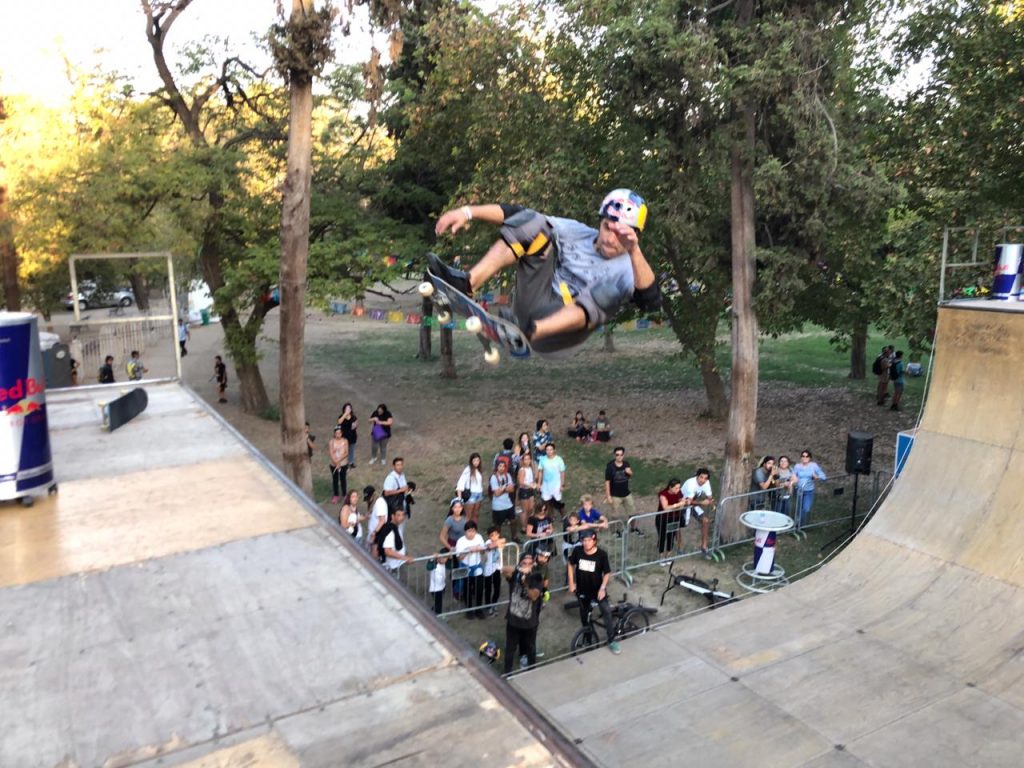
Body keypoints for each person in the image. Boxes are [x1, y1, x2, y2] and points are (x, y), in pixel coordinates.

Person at [432, 189, 661, 356]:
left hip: (559, 334)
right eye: (607, 228)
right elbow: (517, 214)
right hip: (533, 304)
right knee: (534, 224)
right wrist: (467, 212)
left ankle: (528, 332)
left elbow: (650, 302)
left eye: (621, 235)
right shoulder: (577, 232)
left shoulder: (630, 267)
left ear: (633, 236)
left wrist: (635, 251)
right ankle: (468, 284)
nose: (611, 239)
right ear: (600, 222)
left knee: (608, 292)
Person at [567, 530, 620, 655]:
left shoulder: (601, 555)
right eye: (583, 540)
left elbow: (607, 573)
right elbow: (570, 564)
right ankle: (588, 638)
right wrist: (571, 582)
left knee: (606, 611)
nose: (586, 543)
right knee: (584, 616)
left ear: (594, 540)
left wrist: (602, 588)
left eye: (589, 540)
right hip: (582, 590)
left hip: (597, 591)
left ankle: (611, 639)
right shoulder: (578, 551)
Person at [502, 551, 545, 673]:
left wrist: (525, 584)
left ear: (533, 565)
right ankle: (507, 673)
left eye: (529, 563)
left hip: (529, 623)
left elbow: (533, 596)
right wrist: (518, 569)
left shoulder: (537, 577)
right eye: (524, 563)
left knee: (530, 648)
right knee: (510, 648)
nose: (527, 566)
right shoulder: (515, 574)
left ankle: (531, 671)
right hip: (513, 621)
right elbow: (503, 569)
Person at [605, 446, 641, 535]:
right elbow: (607, 482)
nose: (619, 457)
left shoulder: (626, 464)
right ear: (615, 455)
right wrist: (608, 496)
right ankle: (615, 531)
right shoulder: (610, 467)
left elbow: (631, 474)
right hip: (615, 494)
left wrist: (629, 472)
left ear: (623, 455)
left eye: (621, 455)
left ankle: (633, 528)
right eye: (617, 455)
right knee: (615, 515)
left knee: (632, 512)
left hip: (626, 493)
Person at [455, 520, 487, 620]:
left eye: (473, 531)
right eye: (469, 531)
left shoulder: (479, 537)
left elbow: (482, 552)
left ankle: (478, 609)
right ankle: (469, 610)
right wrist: (468, 550)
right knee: (467, 589)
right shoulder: (461, 541)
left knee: (479, 589)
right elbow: (459, 557)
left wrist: (480, 549)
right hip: (465, 566)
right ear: (465, 532)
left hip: (477, 566)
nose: (471, 533)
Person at [681, 468, 715, 555]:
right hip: (681, 504)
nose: (703, 480)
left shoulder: (706, 483)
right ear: (697, 476)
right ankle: (679, 546)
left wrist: (712, 504)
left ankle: (704, 547)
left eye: (705, 478)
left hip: (693, 505)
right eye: (701, 477)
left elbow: (709, 496)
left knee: (705, 521)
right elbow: (688, 501)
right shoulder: (691, 484)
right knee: (680, 525)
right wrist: (702, 503)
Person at [793, 450, 827, 528]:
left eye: (806, 456)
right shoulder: (797, 466)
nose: (804, 458)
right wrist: (794, 478)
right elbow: (793, 475)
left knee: (806, 508)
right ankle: (798, 525)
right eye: (803, 456)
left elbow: (823, 476)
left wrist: (817, 477)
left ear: (810, 458)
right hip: (799, 490)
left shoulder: (813, 465)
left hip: (809, 491)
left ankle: (801, 524)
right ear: (801, 457)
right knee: (798, 509)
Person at [655, 479, 686, 565]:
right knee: (662, 537)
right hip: (663, 519)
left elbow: (683, 502)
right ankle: (661, 556)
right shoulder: (663, 494)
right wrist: (677, 505)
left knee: (671, 537)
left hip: (674, 518)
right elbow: (665, 508)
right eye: (676, 488)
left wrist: (678, 505)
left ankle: (668, 555)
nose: (678, 490)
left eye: (679, 487)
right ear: (670, 487)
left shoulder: (679, 493)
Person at [377, 506, 414, 575]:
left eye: (403, 515)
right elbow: (388, 551)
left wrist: (406, 555)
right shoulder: (390, 531)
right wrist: (404, 558)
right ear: (392, 516)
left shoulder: (397, 529)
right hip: (393, 567)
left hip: (398, 564)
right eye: (398, 515)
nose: (401, 518)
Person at [482, 525, 507, 615]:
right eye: (492, 535)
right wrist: (497, 543)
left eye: (496, 534)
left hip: (497, 568)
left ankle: (494, 604)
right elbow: (490, 546)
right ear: (489, 536)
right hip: (488, 570)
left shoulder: (499, 541)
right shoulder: (487, 542)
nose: (494, 537)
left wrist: (498, 542)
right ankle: (488, 606)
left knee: (497, 588)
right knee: (488, 589)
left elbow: (504, 541)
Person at [456, 452, 486, 525]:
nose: (476, 462)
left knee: (476, 514)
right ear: (471, 461)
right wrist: (459, 499)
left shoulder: (478, 470)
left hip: (479, 494)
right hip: (471, 494)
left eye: (478, 460)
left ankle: (474, 531)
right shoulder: (468, 469)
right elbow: (461, 483)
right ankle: (466, 532)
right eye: (474, 460)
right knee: (468, 515)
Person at [489, 460, 517, 537]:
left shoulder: (507, 475)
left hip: (508, 504)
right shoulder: (493, 478)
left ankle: (514, 537)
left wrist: (501, 489)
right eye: (500, 466)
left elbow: (512, 489)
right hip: (498, 506)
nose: (502, 468)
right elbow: (496, 494)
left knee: (513, 521)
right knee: (498, 524)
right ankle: (499, 539)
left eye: (503, 466)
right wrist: (505, 489)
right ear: (497, 467)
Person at [516, 451, 539, 539]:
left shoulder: (530, 469)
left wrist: (534, 484)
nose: (527, 461)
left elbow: (532, 479)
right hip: (524, 490)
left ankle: (529, 524)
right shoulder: (522, 470)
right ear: (523, 461)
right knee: (524, 510)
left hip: (530, 490)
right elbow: (521, 482)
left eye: (528, 459)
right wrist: (531, 485)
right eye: (525, 459)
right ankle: (524, 526)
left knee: (530, 508)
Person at [537, 443, 566, 508]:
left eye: (551, 450)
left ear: (554, 450)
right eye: (547, 450)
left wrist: (562, 484)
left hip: (556, 485)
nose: (549, 451)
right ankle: (550, 516)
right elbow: (540, 472)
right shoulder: (542, 459)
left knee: (558, 502)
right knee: (547, 502)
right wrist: (539, 483)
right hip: (546, 485)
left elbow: (562, 472)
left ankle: (563, 516)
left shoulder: (559, 459)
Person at [328, 426, 350, 503]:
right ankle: (336, 495)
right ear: (334, 433)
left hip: (343, 463)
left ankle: (344, 494)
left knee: (343, 479)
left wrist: (339, 461)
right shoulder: (331, 441)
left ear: (341, 433)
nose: (338, 434)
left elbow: (346, 452)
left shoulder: (345, 441)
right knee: (335, 479)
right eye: (336, 433)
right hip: (333, 464)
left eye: (339, 433)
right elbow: (330, 452)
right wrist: (335, 462)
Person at [365, 485, 388, 558]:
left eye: (369, 498)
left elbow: (382, 520)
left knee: (372, 556)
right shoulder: (375, 502)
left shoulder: (379, 503)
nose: (368, 500)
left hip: (377, 534)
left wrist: (374, 533)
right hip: (373, 532)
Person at [428, 547, 452, 614]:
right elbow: (428, 567)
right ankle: (439, 615)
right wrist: (431, 559)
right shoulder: (434, 564)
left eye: (445, 558)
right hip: (435, 589)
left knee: (438, 602)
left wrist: (450, 559)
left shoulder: (445, 563)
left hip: (442, 586)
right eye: (442, 558)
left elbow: (450, 566)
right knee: (439, 604)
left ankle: (434, 609)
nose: (443, 560)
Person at [337, 402, 358, 468]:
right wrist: (345, 414)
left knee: (351, 450)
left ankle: (351, 462)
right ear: (344, 409)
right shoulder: (341, 416)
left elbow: (355, 425)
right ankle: (343, 463)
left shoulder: (354, 417)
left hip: (352, 436)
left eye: (349, 408)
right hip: (344, 437)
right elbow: (339, 422)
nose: (348, 409)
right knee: (344, 451)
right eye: (346, 408)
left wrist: (355, 425)